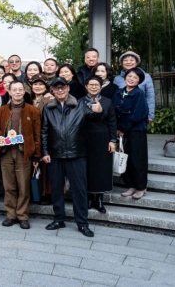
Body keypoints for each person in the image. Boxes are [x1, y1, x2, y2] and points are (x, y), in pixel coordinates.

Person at [41, 77, 95, 237]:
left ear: (68, 88)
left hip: (76, 154)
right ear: (52, 90)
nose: (60, 90)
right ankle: (59, 219)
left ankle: (82, 223)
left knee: (79, 190)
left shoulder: (80, 105)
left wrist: (99, 111)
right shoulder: (48, 108)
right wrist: (45, 152)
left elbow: (95, 118)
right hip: (55, 155)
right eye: (57, 88)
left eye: (63, 87)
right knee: (57, 189)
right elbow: (44, 131)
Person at [0, 80, 41, 229]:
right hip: (6, 151)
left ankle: (22, 216)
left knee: (23, 186)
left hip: (24, 152)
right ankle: (11, 215)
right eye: (14, 90)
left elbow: (37, 135)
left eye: (20, 89)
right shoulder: (1, 110)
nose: (18, 92)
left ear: (24, 91)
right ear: (9, 92)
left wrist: (36, 155)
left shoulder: (33, 111)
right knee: (9, 186)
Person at [82, 76, 117, 213]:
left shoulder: (107, 101)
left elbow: (112, 122)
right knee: (88, 168)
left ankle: (100, 199)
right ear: (86, 86)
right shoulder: (80, 101)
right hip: (85, 139)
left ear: (101, 86)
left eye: (96, 84)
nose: (94, 87)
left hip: (103, 138)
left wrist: (112, 140)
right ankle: (89, 198)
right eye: (91, 84)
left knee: (101, 168)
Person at [113, 68, 149, 200]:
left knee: (137, 159)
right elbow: (114, 111)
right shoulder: (118, 92)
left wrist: (123, 128)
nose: (131, 79)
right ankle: (131, 185)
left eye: (135, 77)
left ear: (139, 81)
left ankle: (141, 187)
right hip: (121, 131)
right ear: (125, 78)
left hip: (136, 131)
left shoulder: (139, 93)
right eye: (129, 76)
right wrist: (117, 128)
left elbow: (138, 114)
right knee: (125, 158)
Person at [29, 74, 53, 205]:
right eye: (35, 84)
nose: (37, 87)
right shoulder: (29, 99)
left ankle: (47, 194)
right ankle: (35, 193)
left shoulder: (50, 100)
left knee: (45, 168)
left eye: (41, 84)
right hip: (30, 138)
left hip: (45, 136)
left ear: (46, 86)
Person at [113, 51, 155, 123]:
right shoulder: (117, 79)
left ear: (136, 62)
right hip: (121, 116)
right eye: (125, 60)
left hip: (140, 115)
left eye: (132, 60)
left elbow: (150, 97)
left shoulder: (146, 76)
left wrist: (150, 115)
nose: (128, 62)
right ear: (122, 63)